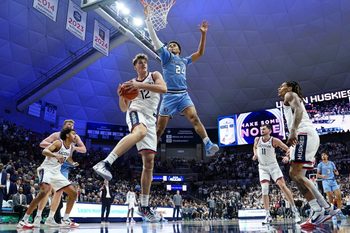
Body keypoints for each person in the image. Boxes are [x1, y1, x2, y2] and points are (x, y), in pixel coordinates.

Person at [93, 53, 167, 222]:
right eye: (140, 63)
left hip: (150, 118)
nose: (143, 65)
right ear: (135, 67)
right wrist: (121, 95)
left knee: (149, 163)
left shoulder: (154, 75)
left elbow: (163, 89)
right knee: (139, 132)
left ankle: (144, 206)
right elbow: (123, 108)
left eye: (145, 62)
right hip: (136, 112)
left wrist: (139, 85)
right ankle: (105, 163)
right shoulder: (130, 84)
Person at [143, 6, 219, 157]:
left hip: (183, 95)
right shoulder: (166, 57)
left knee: (194, 118)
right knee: (159, 129)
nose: (171, 46)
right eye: (169, 45)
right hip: (169, 96)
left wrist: (203, 34)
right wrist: (148, 20)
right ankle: (151, 149)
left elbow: (200, 53)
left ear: (179, 50)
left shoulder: (184, 61)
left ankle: (208, 144)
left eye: (174, 45)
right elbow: (154, 38)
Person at [278, 81, 340, 228]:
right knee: (297, 176)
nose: (279, 88)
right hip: (305, 136)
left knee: (295, 174)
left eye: (282, 85)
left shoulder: (290, 94)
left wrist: (293, 131)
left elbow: (298, 110)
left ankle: (324, 209)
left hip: (303, 134)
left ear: (290, 88)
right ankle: (320, 209)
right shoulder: (289, 98)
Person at [17, 128, 79, 228]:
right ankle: (24, 220)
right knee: (44, 192)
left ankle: (66, 219)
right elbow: (45, 151)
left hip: (56, 173)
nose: (75, 136)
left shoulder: (71, 147)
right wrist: (55, 155)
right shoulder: (58, 143)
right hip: (46, 169)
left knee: (73, 193)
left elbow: (68, 157)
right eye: (73, 134)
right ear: (67, 135)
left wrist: (73, 163)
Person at [33, 119, 85, 227]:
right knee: (47, 191)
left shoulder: (75, 137)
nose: (71, 126)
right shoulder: (56, 135)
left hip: (64, 166)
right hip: (52, 164)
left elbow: (84, 149)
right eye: (68, 124)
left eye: (72, 125)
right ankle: (38, 216)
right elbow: (42, 144)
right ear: (64, 126)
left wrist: (73, 147)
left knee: (59, 192)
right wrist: (57, 147)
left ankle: (50, 218)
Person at [252, 124, 301, 224]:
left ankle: (295, 211)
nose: (261, 130)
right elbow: (254, 147)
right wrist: (255, 154)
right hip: (262, 167)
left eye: (264, 129)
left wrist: (288, 157)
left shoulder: (275, 140)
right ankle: (267, 215)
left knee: (282, 186)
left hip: (273, 166)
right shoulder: (257, 139)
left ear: (269, 131)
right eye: (261, 129)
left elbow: (288, 149)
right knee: (264, 189)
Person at [317, 152, 346, 220]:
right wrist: (322, 176)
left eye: (324, 155)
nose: (323, 156)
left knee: (339, 196)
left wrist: (336, 172)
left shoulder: (331, 163)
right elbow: (317, 175)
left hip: (333, 181)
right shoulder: (320, 164)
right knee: (331, 198)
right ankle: (332, 213)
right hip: (325, 182)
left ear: (327, 156)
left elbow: (335, 170)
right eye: (322, 155)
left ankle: (339, 212)